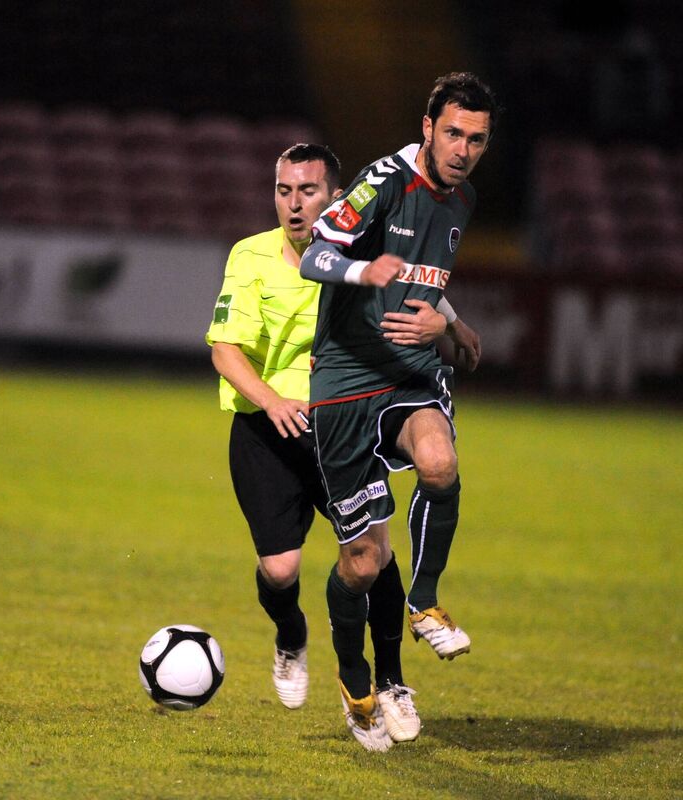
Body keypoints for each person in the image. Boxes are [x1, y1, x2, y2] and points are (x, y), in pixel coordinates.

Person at [206, 143, 466, 745]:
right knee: (280, 569)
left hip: (341, 423)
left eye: (308, 192)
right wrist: (272, 401)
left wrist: (452, 321)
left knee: (376, 557)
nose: (294, 206)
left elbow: (415, 278)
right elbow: (224, 349)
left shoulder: (359, 237)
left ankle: (393, 683)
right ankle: (291, 636)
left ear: (335, 198)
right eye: (283, 191)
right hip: (266, 432)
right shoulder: (250, 256)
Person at [299, 72, 498, 751]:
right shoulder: (382, 183)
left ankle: (424, 602)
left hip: (410, 374)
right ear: (426, 127)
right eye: (452, 133)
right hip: (347, 383)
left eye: (476, 139)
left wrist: (452, 322)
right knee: (362, 563)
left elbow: (422, 277)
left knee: (440, 464)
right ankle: (356, 679)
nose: (463, 149)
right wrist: (363, 272)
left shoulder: (462, 199)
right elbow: (317, 253)